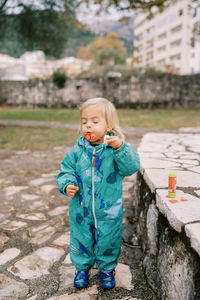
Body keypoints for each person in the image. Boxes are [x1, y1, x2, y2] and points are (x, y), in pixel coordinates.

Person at [56, 98, 140, 290]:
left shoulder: (115, 150)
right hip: (81, 209)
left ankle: (107, 269)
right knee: (81, 238)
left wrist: (120, 148)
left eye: (95, 121)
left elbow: (131, 167)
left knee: (109, 239)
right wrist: (67, 183)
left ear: (108, 125)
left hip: (109, 209)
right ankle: (82, 268)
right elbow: (65, 170)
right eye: (84, 121)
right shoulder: (76, 151)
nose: (88, 126)